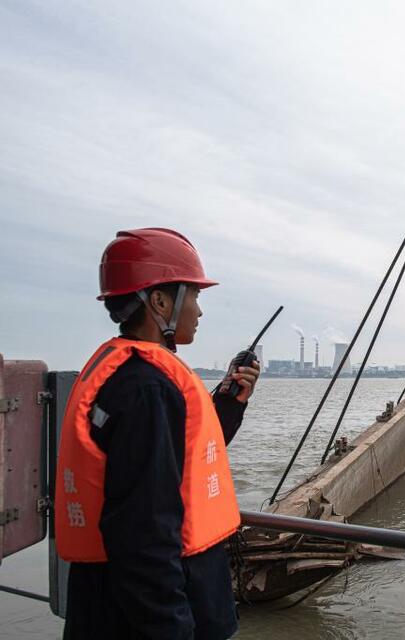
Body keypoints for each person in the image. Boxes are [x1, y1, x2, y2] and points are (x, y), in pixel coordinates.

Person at [54, 228, 260, 639]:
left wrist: (228, 405)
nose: (199, 312)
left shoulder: (123, 374)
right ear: (160, 301)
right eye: (194, 296)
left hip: (103, 604)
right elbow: (144, 536)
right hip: (154, 615)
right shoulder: (149, 391)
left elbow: (180, 466)